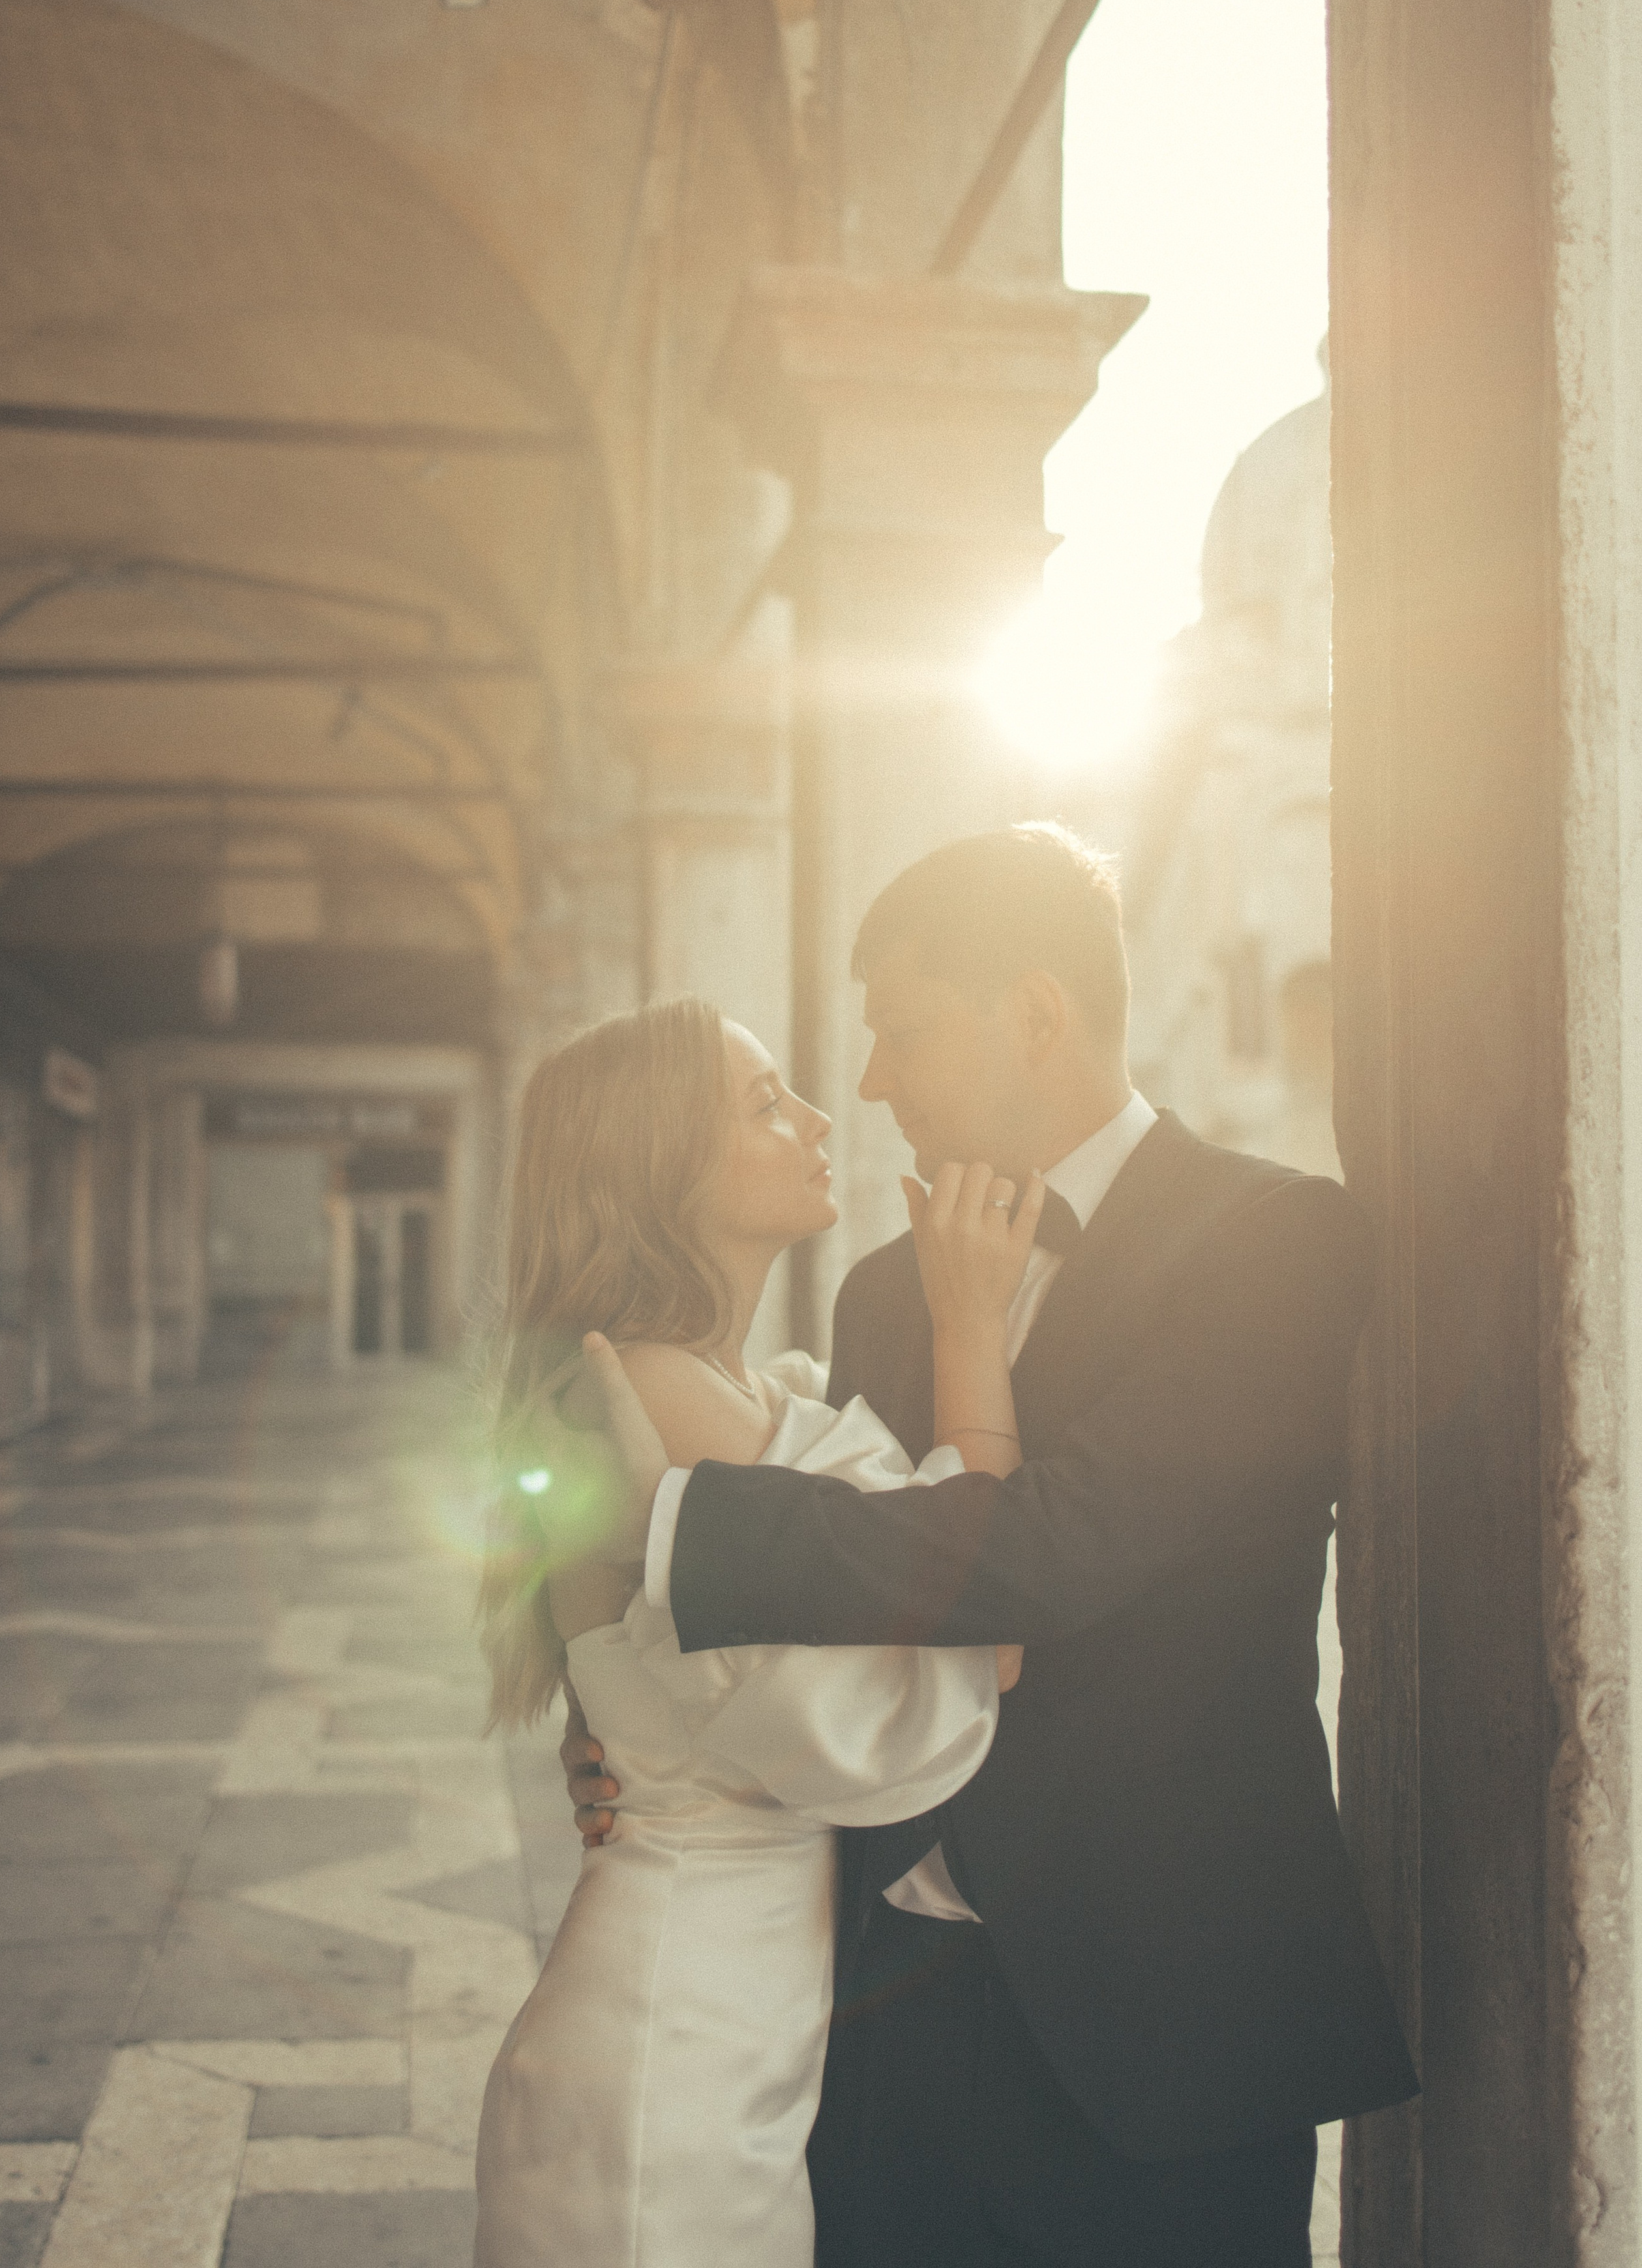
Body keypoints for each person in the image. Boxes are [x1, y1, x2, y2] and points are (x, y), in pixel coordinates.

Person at [562, 824, 1419, 2268]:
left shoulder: (1274, 1240)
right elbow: (865, 1617)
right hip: (883, 2017)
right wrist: (644, 1722)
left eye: (899, 1030)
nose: (873, 1079)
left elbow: (1048, 1550)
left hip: (1160, 2018)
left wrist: (679, 1530)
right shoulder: (888, 1289)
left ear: (1033, 1013)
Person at [471, 996, 1043, 2268]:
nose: (818, 1118)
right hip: (672, 2044)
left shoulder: (724, 1386)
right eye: (766, 1100)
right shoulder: (666, 1394)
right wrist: (968, 1326)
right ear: (658, 1157)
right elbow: (980, 1637)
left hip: (712, 2018)